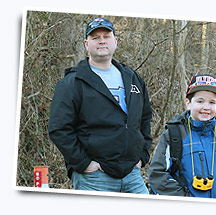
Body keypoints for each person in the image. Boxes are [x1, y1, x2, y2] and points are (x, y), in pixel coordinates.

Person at [48, 17, 152, 194]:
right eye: (95, 37)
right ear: (86, 44)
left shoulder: (133, 78)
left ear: (115, 41)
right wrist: (84, 163)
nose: (102, 40)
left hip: (132, 174)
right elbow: (59, 128)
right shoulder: (73, 83)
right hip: (95, 177)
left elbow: (144, 117)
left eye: (106, 36)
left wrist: (142, 156)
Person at [148, 74, 216, 199]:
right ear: (188, 103)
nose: (206, 107)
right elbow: (157, 175)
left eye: (212, 102)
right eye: (200, 101)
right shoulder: (174, 134)